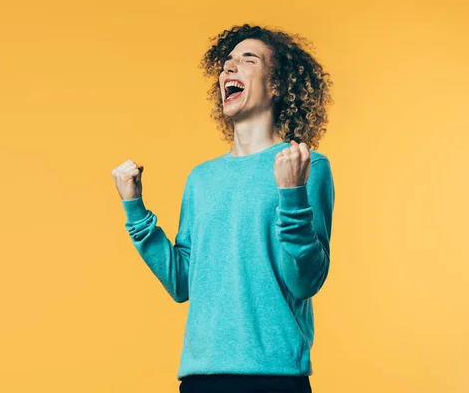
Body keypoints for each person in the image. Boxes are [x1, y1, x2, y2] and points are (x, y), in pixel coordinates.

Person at [111, 24, 335, 393]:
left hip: (277, 378)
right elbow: (182, 282)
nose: (229, 69)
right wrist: (135, 210)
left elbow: (306, 281)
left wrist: (293, 194)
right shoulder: (202, 178)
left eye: (247, 60)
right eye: (226, 62)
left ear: (276, 84)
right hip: (201, 377)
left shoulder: (305, 164)